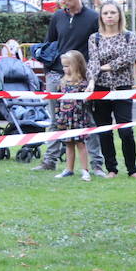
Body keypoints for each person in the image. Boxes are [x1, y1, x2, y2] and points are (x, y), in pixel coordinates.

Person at [34, 0, 103, 172]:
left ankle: (97, 163)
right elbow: (50, 44)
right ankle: (50, 160)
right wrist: (50, 71)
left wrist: (90, 76)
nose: (63, 0)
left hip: (81, 78)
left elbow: (96, 48)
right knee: (56, 120)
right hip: (57, 75)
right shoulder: (57, 17)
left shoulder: (92, 18)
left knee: (88, 119)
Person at [86, 1, 136, 179]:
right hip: (101, 87)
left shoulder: (129, 36)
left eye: (112, 13)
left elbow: (129, 58)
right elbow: (93, 61)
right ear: (101, 17)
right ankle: (111, 169)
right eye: (105, 13)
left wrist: (106, 67)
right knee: (104, 130)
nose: (109, 16)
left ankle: (132, 170)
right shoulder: (94, 38)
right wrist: (92, 79)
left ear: (119, 15)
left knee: (126, 130)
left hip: (122, 87)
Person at [52, 51, 93, 182]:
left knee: (80, 144)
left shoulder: (83, 84)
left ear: (77, 65)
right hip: (64, 118)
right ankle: (68, 169)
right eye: (64, 66)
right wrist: (58, 115)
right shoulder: (62, 82)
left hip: (78, 118)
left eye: (68, 66)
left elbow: (86, 102)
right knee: (68, 144)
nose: (65, 69)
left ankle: (85, 171)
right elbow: (58, 100)